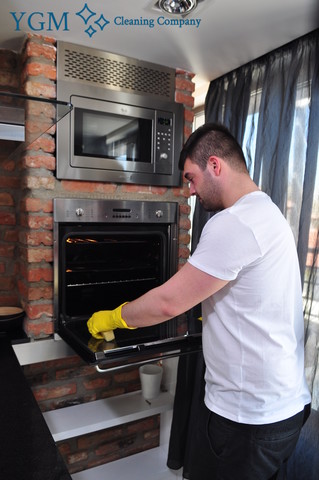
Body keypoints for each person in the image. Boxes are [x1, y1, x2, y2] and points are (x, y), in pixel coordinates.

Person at [87, 123, 311, 479]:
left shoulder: (234, 222)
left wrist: (112, 318)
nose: (190, 191)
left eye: (191, 178)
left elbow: (166, 304)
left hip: (247, 419)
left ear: (215, 165)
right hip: (282, 409)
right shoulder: (267, 212)